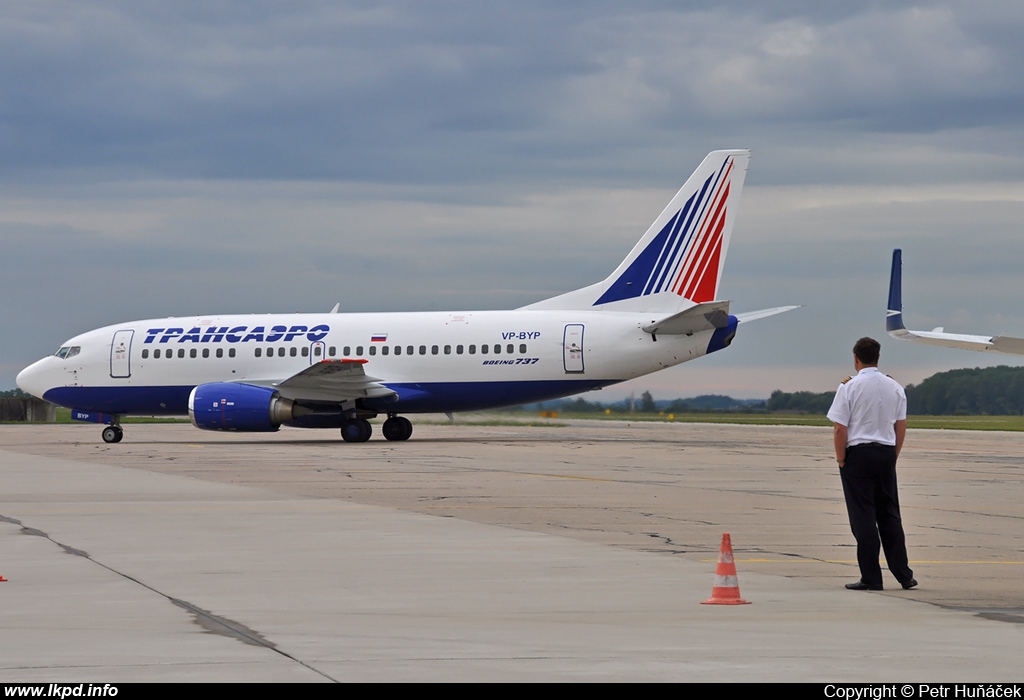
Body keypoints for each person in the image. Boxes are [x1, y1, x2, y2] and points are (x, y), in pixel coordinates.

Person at [827, 337, 917, 591]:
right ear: (878, 357)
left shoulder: (849, 387)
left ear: (856, 358)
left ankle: (871, 577)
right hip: (886, 453)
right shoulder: (894, 386)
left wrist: (841, 458)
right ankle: (904, 574)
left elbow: (839, 428)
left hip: (858, 455)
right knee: (889, 514)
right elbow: (901, 426)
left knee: (863, 516)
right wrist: (894, 454)